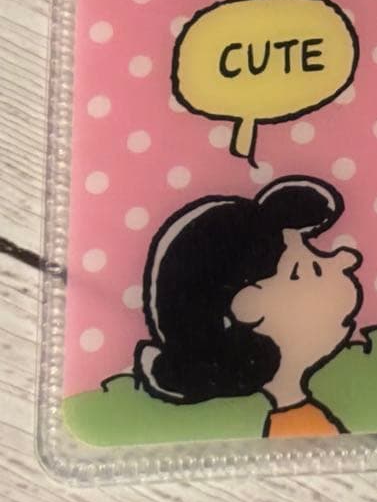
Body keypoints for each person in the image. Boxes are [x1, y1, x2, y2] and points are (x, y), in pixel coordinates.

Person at [133, 175, 363, 438]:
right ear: (249, 308)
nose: (346, 260)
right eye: (312, 269)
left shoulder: (307, 422)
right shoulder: (298, 432)